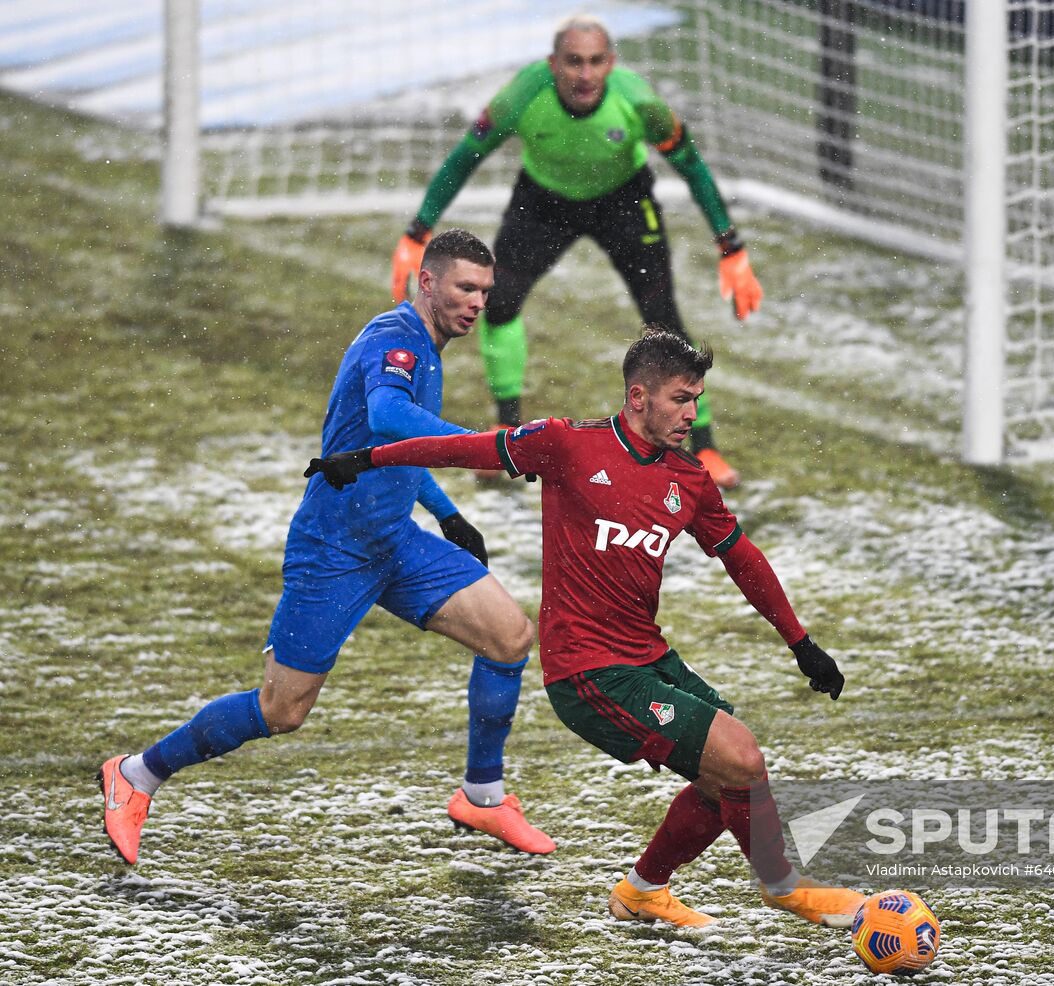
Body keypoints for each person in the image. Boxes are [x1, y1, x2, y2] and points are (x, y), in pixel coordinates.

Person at [306, 326, 865, 929]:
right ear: (638, 396)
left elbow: (741, 557)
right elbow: (469, 449)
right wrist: (366, 458)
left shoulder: (688, 478)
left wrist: (801, 643)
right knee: (740, 758)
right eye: (681, 398)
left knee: (727, 774)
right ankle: (784, 888)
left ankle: (643, 892)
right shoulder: (565, 445)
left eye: (698, 399)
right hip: (587, 671)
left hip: (647, 657)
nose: (692, 413)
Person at [99, 229, 556, 865]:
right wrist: (490, 445)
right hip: (334, 549)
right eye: (465, 287)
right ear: (427, 282)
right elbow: (393, 418)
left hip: (395, 539)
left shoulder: (427, 344)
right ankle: (137, 773)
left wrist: (449, 516)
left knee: (509, 636)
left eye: (485, 290)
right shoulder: (394, 341)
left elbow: (393, 447)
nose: (478, 302)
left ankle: (482, 796)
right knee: (283, 709)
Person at [389, 14, 763, 490]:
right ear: (553, 64)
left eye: (595, 62)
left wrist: (729, 246)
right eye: (573, 63)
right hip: (544, 202)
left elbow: (691, 165)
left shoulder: (641, 103)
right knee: (499, 301)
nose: (585, 75)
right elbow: (465, 157)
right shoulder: (520, 98)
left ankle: (703, 444)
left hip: (624, 201)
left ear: (611, 63)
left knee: (664, 320)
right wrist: (419, 231)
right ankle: (507, 428)